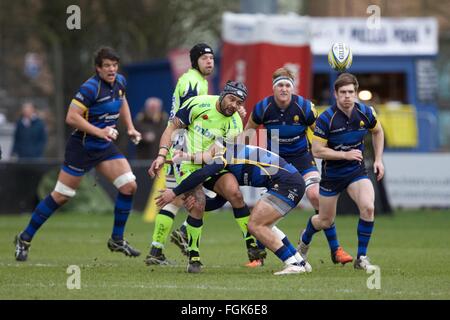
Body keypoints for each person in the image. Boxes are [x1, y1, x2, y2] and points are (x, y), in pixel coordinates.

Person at [14, 47, 142, 261]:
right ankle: (24, 238)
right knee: (61, 195)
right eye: (107, 66)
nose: (112, 69)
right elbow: (71, 117)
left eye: (114, 65)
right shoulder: (90, 88)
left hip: (104, 147)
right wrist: (100, 131)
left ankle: (117, 240)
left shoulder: (120, 81)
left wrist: (130, 127)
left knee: (129, 185)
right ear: (98, 68)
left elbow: (122, 101)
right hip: (82, 147)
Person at [148, 81, 265, 273]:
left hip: (210, 162)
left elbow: (214, 156)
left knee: (235, 194)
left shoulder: (235, 122)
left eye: (239, 103)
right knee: (199, 202)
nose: (233, 105)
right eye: (231, 99)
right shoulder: (197, 103)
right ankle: (194, 257)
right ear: (222, 94)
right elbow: (170, 129)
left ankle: (251, 245)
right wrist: (162, 155)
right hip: (185, 161)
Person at [244, 67, 353, 265]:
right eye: (280, 85)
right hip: (275, 163)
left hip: (302, 159)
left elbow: (320, 133)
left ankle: (336, 249)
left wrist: (335, 151)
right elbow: (249, 131)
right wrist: (245, 154)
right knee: (266, 209)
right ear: (273, 88)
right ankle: (259, 257)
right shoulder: (262, 108)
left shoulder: (304, 107)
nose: (284, 89)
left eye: (287, 85)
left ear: (292, 88)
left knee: (316, 197)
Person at [156, 143, 312, 275]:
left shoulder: (225, 153)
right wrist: (193, 201)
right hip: (290, 181)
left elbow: (203, 173)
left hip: (286, 183)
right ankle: (300, 262)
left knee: (255, 225)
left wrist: (175, 192)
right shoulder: (227, 161)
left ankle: (293, 264)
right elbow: (218, 202)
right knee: (267, 226)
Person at [298, 73, 385, 270]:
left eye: (351, 92)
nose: (347, 96)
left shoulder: (366, 113)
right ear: (335, 94)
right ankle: (305, 239)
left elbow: (378, 131)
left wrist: (378, 159)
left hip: (356, 172)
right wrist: (344, 155)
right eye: (343, 92)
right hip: (332, 177)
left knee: (368, 208)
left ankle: (361, 258)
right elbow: (317, 151)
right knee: (324, 220)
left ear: (355, 93)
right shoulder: (326, 119)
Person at [146, 43, 214, 265]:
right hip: (184, 142)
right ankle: (186, 243)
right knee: (194, 196)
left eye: (211, 58)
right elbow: (189, 114)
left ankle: (156, 250)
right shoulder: (193, 81)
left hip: (180, 141)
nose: (210, 61)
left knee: (175, 197)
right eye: (204, 58)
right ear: (195, 61)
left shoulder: (195, 80)